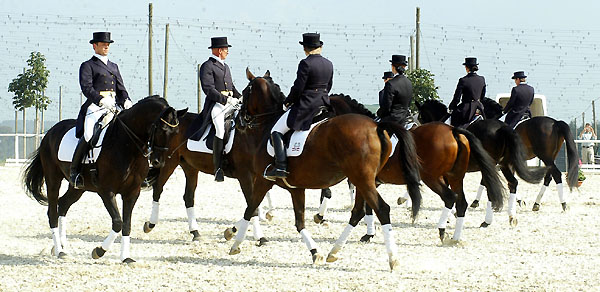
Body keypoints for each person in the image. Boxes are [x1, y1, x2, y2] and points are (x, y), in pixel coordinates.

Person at [264, 32, 334, 179]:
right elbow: (329, 85)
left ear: (305, 48)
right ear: (320, 47)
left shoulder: (306, 63)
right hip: (324, 103)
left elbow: (298, 88)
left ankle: (281, 167)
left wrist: (288, 101)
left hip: (307, 105)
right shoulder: (329, 64)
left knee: (276, 131)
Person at [71, 31, 132, 189]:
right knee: (89, 134)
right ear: (94, 46)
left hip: (114, 106)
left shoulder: (114, 66)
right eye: (103, 44)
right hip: (95, 107)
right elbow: (86, 87)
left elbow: (121, 88)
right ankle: (75, 172)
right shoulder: (88, 65)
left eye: (108, 44)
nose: (106, 46)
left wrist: (126, 100)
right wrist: (100, 99)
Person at [195, 37, 242, 182]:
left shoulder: (226, 67)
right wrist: (225, 99)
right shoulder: (207, 66)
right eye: (226, 49)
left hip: (230, 103)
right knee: (220, 129)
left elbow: (231, 87)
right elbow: (208, 89)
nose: (228, 52)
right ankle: (218, 168)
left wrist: (241, 97)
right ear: (220, 50)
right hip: (216, 104)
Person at [449, 57, 486, 128]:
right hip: (479, 107)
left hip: (467, 109)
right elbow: (482, 96)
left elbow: (457, 98)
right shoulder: (482, 79)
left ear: (466, 68)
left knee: (453, 125)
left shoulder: (463, 80)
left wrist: (451, 107)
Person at [376, 56, 412, 126]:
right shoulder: (409, 83)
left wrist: (380, 114)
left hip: (392, 120)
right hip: (404, 119)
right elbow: (409, 103)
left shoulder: (391, 83)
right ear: (404, 67)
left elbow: (386, 107)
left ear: (393, 67)